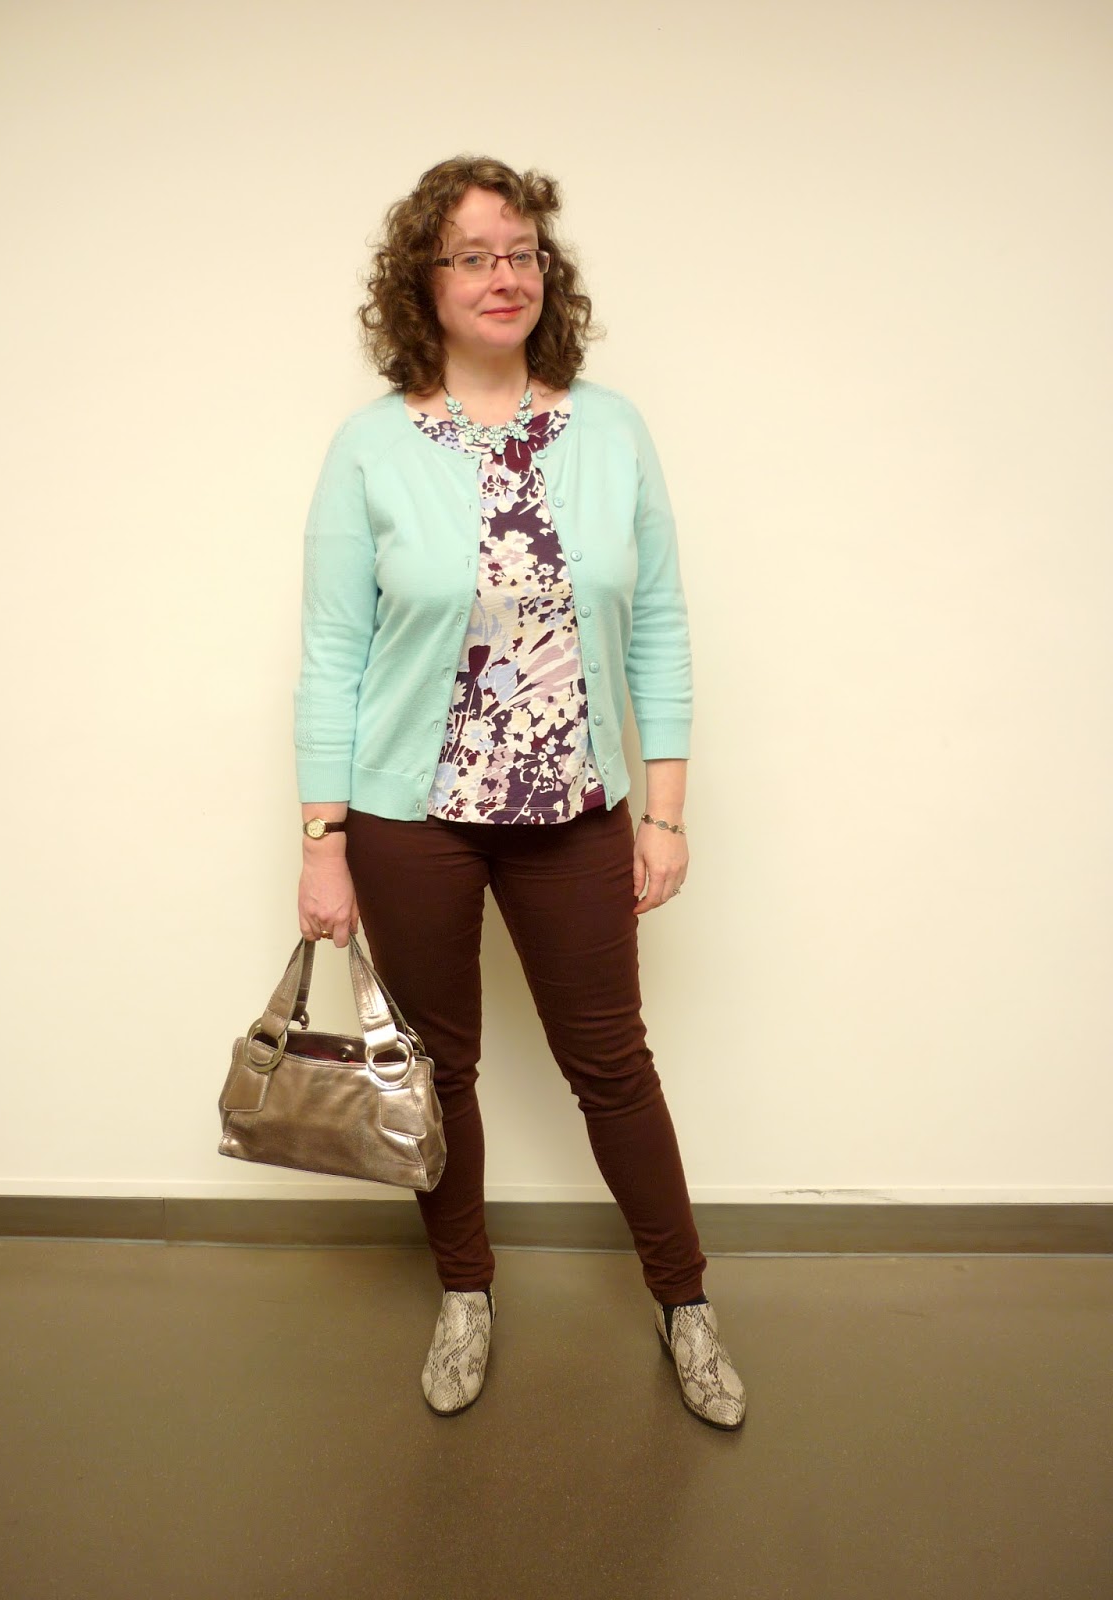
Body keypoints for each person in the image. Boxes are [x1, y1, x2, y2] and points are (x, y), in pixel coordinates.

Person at [293, 156, 746, 1429]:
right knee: (438, 1070)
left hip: (577, 808)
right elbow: (331, 653)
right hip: (410, 818)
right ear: (423, 284)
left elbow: (660, 624)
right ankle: (465, 1289)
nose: (505, 276)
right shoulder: (371, 448)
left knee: (613, 1065)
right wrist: (324, 838)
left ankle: (685, 1302)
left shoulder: (611, 429)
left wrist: (665, 811)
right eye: (474, 255)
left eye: (523, 252)